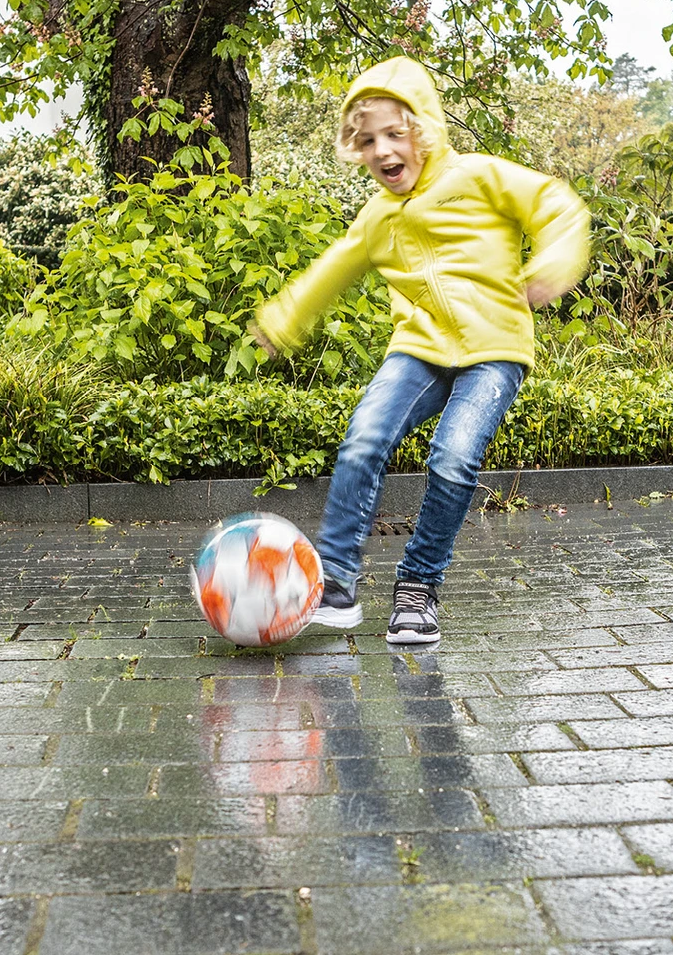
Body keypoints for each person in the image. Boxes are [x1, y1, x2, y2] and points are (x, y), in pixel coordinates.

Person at [251, 57, 590, 644]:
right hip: (420, 347)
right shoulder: (376, 218)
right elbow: (328, 272)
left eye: (393, 133)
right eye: (367, 140)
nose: (382, 150)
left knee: (454, 456)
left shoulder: (479, 176)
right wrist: (282, 319)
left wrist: (552, 267)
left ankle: (417, 590)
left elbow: (558, 207)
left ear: (423, 130)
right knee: (363, 440)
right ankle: (335, 584)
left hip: (494, 347)